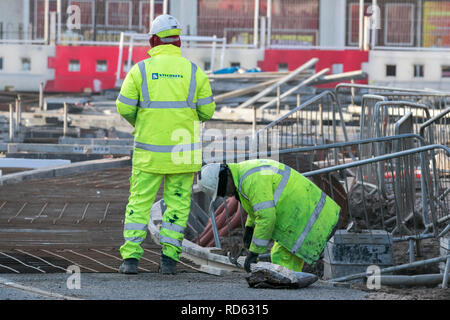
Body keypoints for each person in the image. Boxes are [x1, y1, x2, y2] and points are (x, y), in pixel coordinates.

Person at [116, 14, 216, 274]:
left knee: (139, 203)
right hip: (182, 155)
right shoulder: (194, 72)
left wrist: (142, 122)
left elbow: (124, 106)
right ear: (178, 41)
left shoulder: (140, 70)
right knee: (178, 205)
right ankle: (169, 261)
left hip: (148, 153)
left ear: (153, 40)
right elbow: (207, 112)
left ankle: (130, 260)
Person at [197, 159, 341, 273]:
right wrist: (250, 227)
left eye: (223, 190)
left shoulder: (251, 180)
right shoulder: (243, 174)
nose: (226, 194)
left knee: (281, 259)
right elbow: (257, 209)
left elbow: (266, 218)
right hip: (305, 215)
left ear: (226, 176)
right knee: (282, 260)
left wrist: (254, 253)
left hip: (308, 217)